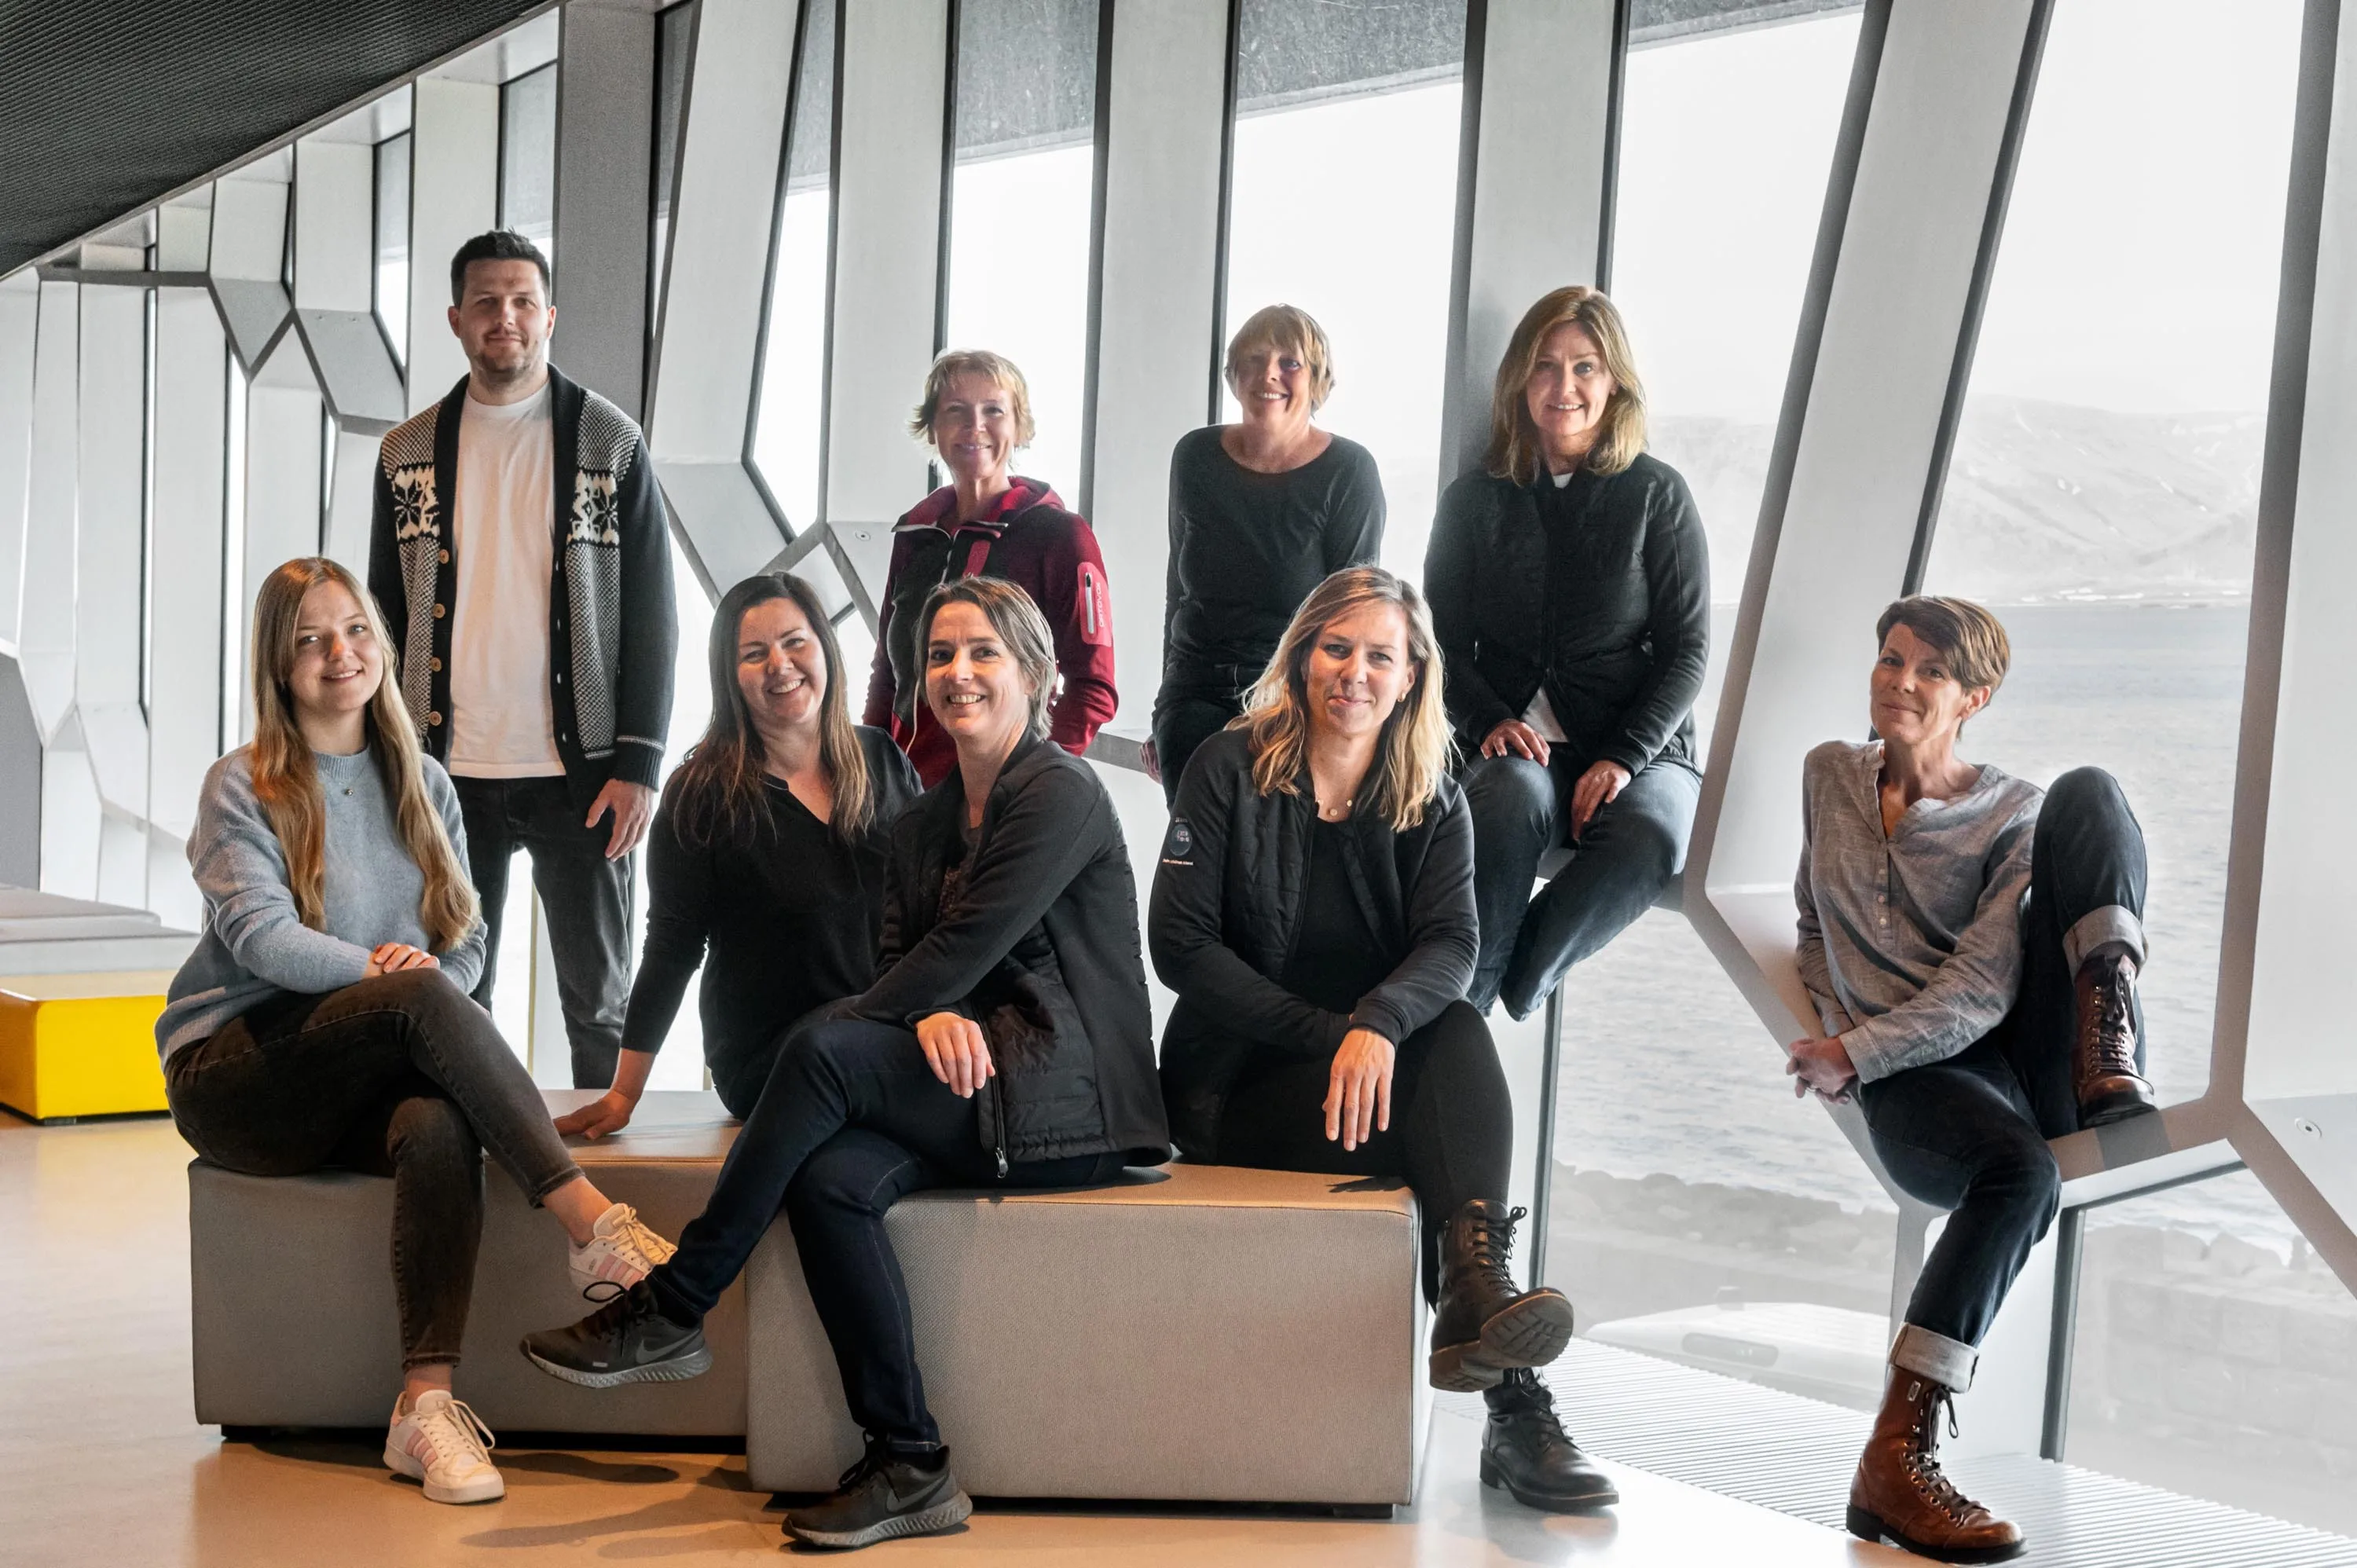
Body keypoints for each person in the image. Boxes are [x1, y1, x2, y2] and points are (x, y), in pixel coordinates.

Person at [524, 576, 1168, 1551]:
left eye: (982, 652)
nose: (957, 673)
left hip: (1069, 1099)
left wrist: (915, 1010)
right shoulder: (929, 812)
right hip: (975, 1087)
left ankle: (676, 1303)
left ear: (1033, 671)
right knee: (827, 1180)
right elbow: (905, 953)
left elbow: (960, 947)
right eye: (941, 656)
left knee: (821, 1049)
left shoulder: (1059, 791)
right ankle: (910, 1459)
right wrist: (929, 1012)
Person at [156, 558, 676, 1508]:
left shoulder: (424, 780)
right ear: (278, 662)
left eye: (354, 630)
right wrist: (390, 976)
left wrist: (418, 982)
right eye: (309, 638)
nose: (338, 654)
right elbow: (263, 939)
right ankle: (590, 1226)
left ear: (383, 646)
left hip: (363, 1054)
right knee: (423, 992)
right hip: (237, 1073)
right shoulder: (242, 785)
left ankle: (424, 1411)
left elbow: (464, 933)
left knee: (436, 1124)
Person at [1153, 566, 1615, 1515]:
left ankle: (1479, 1295)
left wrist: (1379, 1025)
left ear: (1411, 676)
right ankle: (1511, 1402)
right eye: (1336, 648)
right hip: (1241, 1086)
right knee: (1433, 1111)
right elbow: (1181, 948)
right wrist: (1342, 1034)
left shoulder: (1430, 792)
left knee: (1450, 1025)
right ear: (1301, 656)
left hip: (1370, 1072)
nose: (1354, 673)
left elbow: (1455, 944)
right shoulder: (1226, 768)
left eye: (1379, 656)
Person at [1790, 595, 2157, 1563]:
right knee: (2021, 1175)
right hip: (1915, 1082)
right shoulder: (1827, 774)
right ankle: (1895, 1457)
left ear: (1973, 697)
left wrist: (1852, 1051)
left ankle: (2107, 1038)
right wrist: (1844, 1024)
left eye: (1929, 672)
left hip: (2004, 1047)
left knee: (2091, 794)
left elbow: (1985, 985)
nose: (1899, 682)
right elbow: (1811, 922)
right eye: (1889, 658)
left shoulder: (2008, 811)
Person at [367, 229, 677, 1090]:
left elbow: (655, 612)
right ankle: (486, 1173)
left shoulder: (610, 443)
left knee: (601, 1003)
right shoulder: (407, 453)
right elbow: (381, 619)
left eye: (521, 301)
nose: (504, 317)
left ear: (549, 316)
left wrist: (640, 763)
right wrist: (386, 760)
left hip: (584, 776)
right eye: (486, 302)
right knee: (457, 995)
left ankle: (614, 1190)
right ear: (456, 319)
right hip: (446, 773)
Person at [555, 573, 922, 1136]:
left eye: (795, 641)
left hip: (880, 1036)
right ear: (730, 677)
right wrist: (624, 1093)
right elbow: (673, 946)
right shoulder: (703, 793)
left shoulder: (883, 759)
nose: (780, 664)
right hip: (772, 1054)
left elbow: (931, 904)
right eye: (754, 654)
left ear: (824, 645)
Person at [1427, 285, 1707, 1020]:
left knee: (1650, 835)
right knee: (1503, 800)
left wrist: (1623, 757)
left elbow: (1689, 650)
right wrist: (1489, 721)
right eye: (1547, 367)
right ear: (1521, 379)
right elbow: (1442, 646)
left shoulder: (1658, 495)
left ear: (1614, 381)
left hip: (1642, 749)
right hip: (1517, 749)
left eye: (1586, 367)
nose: (1565, 387)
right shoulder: (1472, 502)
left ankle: (1519, 979)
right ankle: (1465, 1016)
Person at [1148, 304, 1385, 804]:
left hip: (1295, 697)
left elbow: (1355, 616)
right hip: (1196, 691)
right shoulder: (1195, 457)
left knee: (1268, 855)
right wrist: (1162, 707)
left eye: (1290, 362)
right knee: (1196, 853)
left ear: (1317, 379)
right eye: (1253, 360)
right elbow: (1179, 590)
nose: (1269, 374)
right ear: (1233, 377)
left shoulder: (1349, 470)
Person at [863, 349, 1116, 788]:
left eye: (993, 410)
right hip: (906, 798)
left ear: (1019, 427)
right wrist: (868, 768)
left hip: (1003, 798)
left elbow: (1094, 687)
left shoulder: (1060, 536)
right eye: (955, 411)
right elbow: (888, 671)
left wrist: (1029, 782)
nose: (974, 426)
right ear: (934, 428)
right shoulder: (915, 535)